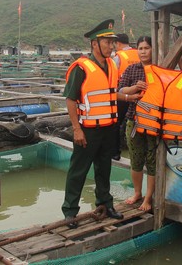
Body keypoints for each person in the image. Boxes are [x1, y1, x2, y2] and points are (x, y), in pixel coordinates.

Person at [61, 19, 140, 228]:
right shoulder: (81, 67)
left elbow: (110, 93)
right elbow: (70, 98)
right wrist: (76, 128)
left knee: (104, 169)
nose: (111, 46)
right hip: (87, 129)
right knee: (78, 170)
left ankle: (105, 204)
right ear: (94, 43)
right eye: (107, 42)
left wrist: (128, 98)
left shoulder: (112, 66)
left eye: (113, 42)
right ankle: (70, 211)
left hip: (108, 128)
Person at [118, 36, 155, 211]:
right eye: (140, 48)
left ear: (153, 50)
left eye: (146, 48)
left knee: (152, 159)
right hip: (134, 119)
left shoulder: (159, 69)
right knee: (136, 159)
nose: (143, 51)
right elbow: (120, 91)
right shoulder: (132, 69)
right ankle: (137, 193)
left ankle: (148, 198)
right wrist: (135, 88)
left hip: (155, 122)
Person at [111, 33, 139, 160]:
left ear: (118, 43)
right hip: (140, 94)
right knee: (136, 121)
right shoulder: (139, 52)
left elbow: (112, 74)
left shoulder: (118, 57)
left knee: (116, 123)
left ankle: (115, 152)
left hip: (123, 93)